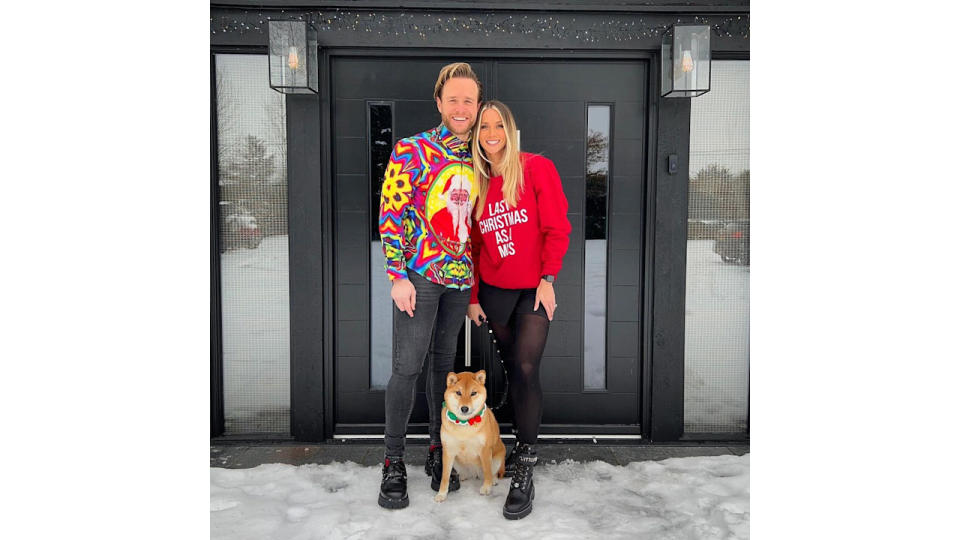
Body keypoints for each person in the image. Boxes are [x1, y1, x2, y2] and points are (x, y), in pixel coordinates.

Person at [377, 62, 482, 510]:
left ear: (478, 107)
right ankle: (393, 462)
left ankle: (438, 452)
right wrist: (397, 274)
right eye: (453, 99)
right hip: (420, 277)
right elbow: (391, 213)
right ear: (439, 103)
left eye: (469, 100)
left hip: (460, 281)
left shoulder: (482, 155)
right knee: (408, 366)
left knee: (444, 367)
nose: (461, 108)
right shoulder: (412, 150)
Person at [466, 100, 571, 520]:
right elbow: (471, 246)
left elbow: (557, 227)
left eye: (498, 125)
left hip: (532, 291)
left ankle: (525, 462)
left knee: (527, 369)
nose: (491, 134)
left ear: (510, 129)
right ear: (476, 135)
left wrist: (548, 278)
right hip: (493, 292)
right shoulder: (475, 180)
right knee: (510, 369)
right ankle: (508, 440)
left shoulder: (536, 169)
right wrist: (473, 296)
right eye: (483, 127)